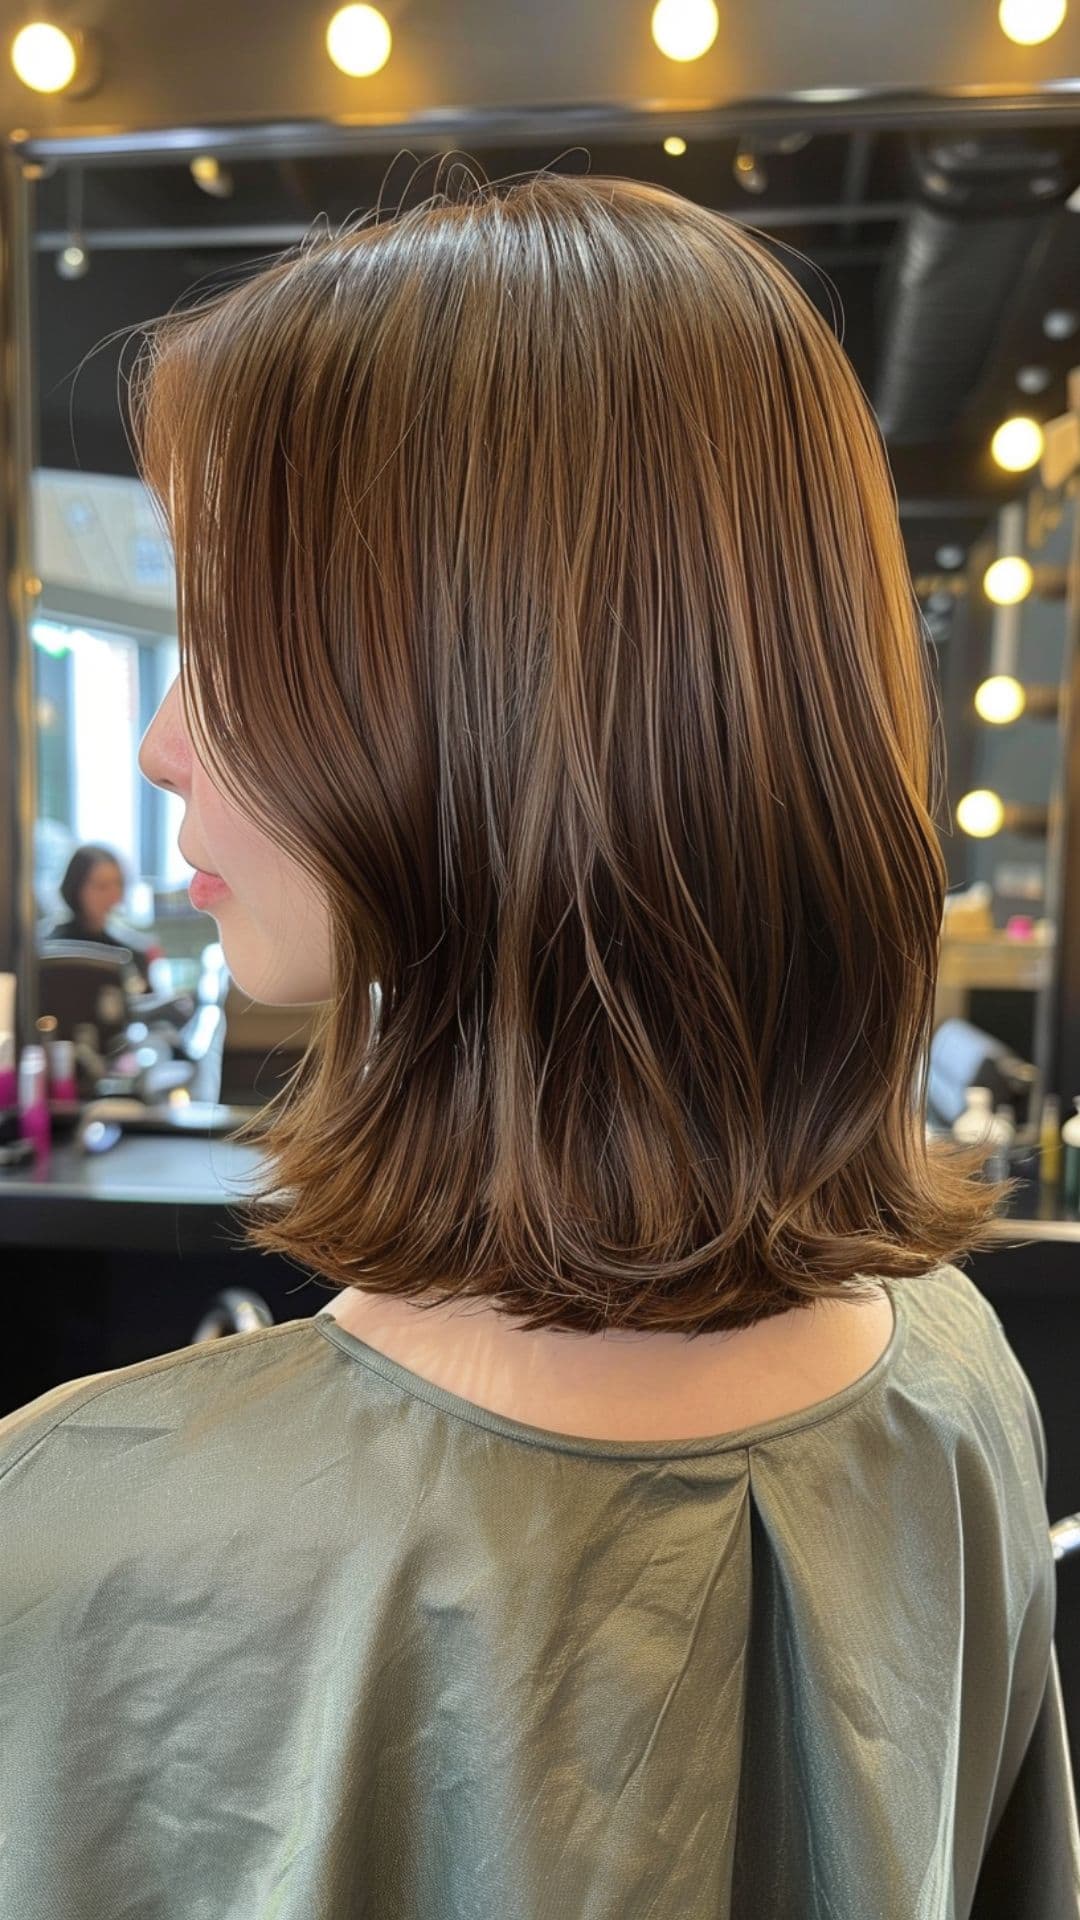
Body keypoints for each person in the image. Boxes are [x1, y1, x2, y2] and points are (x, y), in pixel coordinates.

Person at [1, 171, 1077, 1918]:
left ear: (463, 689)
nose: (164, 746)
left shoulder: (69, 1546)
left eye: (228, 642)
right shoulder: (958, 1390)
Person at [45, 841, 162, 994]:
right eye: (102, 886)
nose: (113, 896)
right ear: (76, 887)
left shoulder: (132, 954)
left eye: (118, 884)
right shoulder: (49, 951)